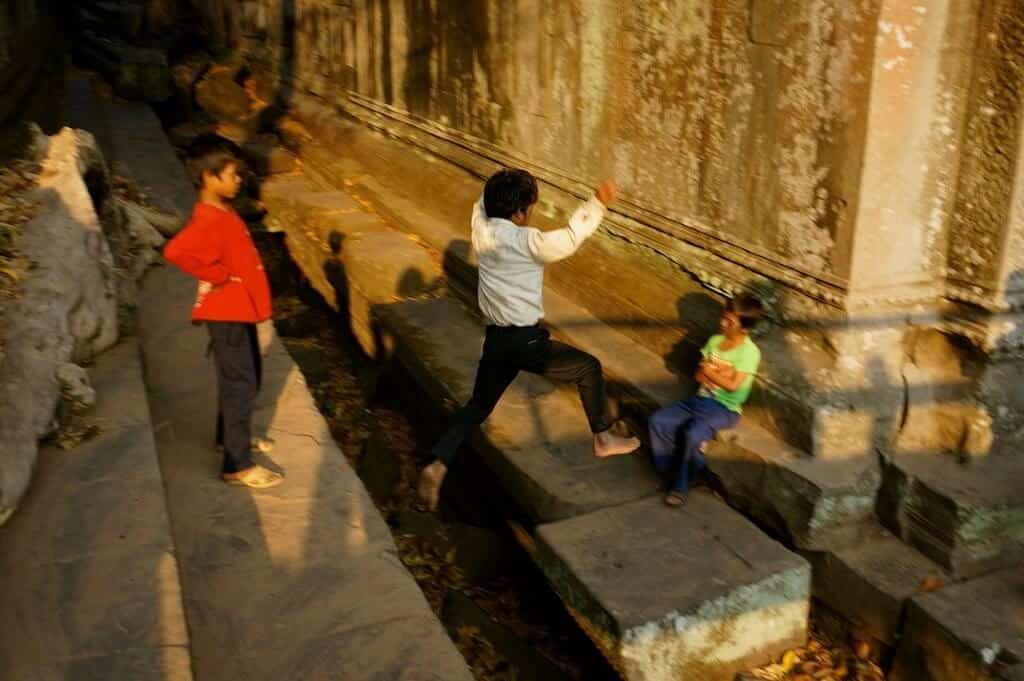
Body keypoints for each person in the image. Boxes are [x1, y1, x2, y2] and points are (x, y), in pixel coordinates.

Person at [417, 169, 641, 511]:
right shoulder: (527, 241)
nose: (530, 214)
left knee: (478, 405)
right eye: (529, 208)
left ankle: (438, 462)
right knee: (588, 368)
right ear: (519, 213)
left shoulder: (481, 228)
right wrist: (598, 203)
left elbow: (482, 201)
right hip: (525, 341)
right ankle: (603, 436)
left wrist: (497, 187)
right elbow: (569, 237)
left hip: (496, 340)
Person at [163, 137, 283, 489]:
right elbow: (176, 251)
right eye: (232, 174)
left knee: (245, 375)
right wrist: (217, 275)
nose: (239, 180)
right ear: (208, 178)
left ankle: (228, 437)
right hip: (226, 311)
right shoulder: (207, 219)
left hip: (238, 308)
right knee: (241, 381)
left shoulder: (223, 211)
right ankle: (237, 464)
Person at [648, 294, 764, 506]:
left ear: (745, 328)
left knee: (692, 433)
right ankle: (671, 472)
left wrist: (711, 371)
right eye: (723, 317)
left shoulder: (750, 352)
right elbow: (698, 376)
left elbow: (733, 387)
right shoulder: (715, 341)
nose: (722, 323)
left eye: (730, 322)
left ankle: (681, 486)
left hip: (724, 408)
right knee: (659, 421)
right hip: (699, 400)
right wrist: (720, 372)